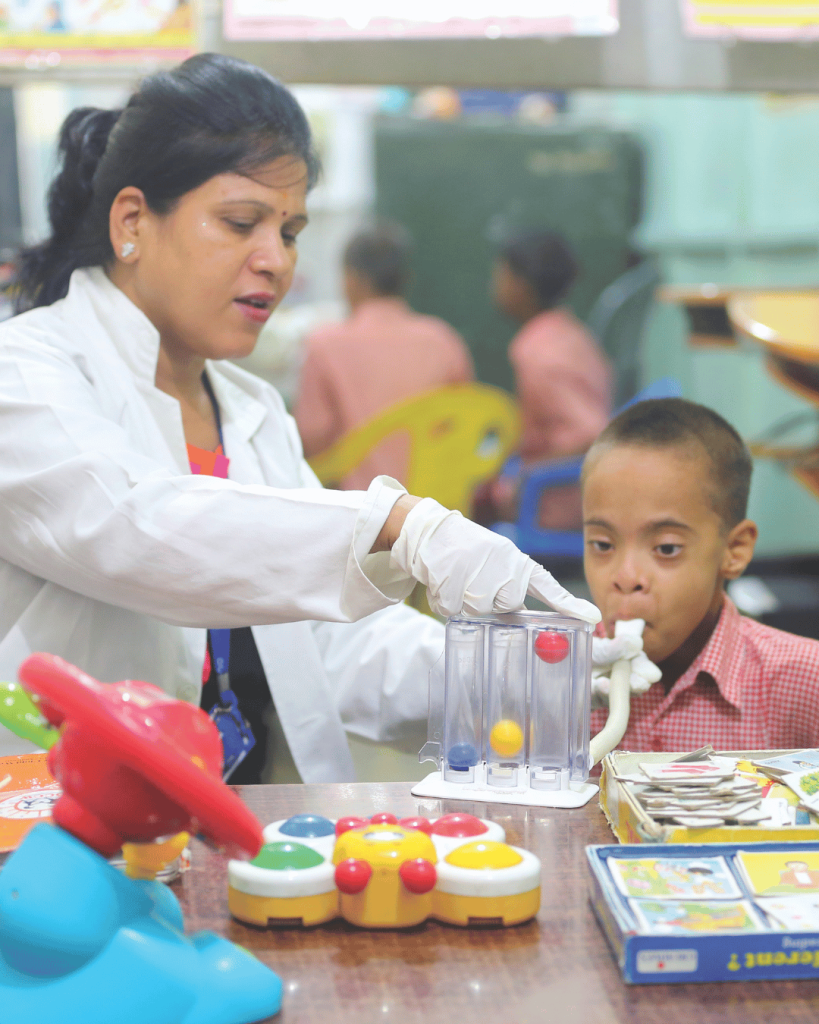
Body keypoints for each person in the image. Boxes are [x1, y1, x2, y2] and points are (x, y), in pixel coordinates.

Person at [1, 53, 601, 783]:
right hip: (71, 841)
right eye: (240, 221)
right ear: (133, 221)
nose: (275, 261)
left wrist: (530, 671)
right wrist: (397, 524)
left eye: (288, 232)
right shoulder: (27, 372)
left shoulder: (250, 412)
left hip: (242, 836)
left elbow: (330, 649)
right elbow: (137, 529)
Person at [584, 397, 819, 752]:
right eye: (602, 544)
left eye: (666, 548)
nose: (626, 577)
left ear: (733, 550)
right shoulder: (548, 677)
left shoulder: (805, 682)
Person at [293, 221, 474, 490]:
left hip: (362, 518)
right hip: (438, 515)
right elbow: (467, 428)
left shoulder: (325, 345)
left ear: (350, 279)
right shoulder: (443, 340)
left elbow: (312, 437)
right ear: (405, 278)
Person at [485, 230, 612, 529]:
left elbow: (589, 433)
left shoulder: (540, 352)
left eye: (501, 276)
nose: (494, 286)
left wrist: (525, 475)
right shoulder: (569, 332)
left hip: (554, 505)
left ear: (522, 285)